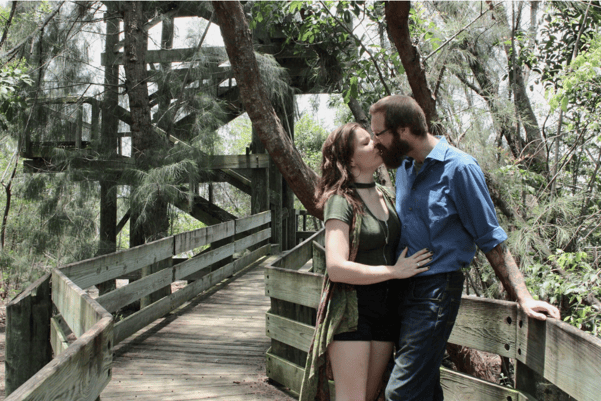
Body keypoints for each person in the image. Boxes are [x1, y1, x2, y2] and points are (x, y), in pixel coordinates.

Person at [368, 95, 561, 401]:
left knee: (400, 393)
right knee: (425, 390)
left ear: (403, 130)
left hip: (436, 291)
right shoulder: (406, 167)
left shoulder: (459, 169)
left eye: (379, 134)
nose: (375, 142)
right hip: (403, 290)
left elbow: (491, 238)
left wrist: (522, 294)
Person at [299, 122, 432, 401]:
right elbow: (336, 268)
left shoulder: (387, 195)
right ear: (349, 159)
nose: (375, 143)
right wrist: (395, 272)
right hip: (352, 313)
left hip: (386, 312)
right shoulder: (340, 201)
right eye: (365, 143)